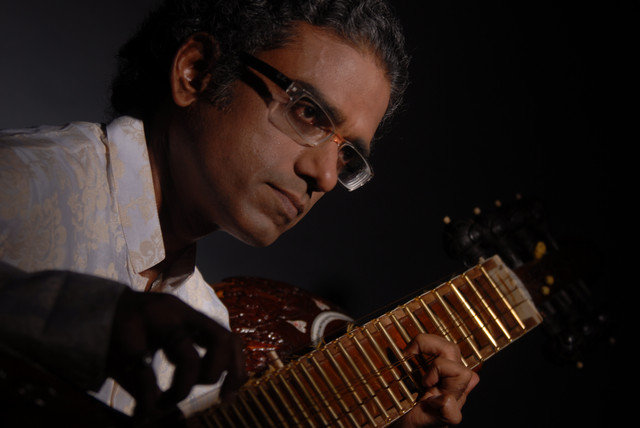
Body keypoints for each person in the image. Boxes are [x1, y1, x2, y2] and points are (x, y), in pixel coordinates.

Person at [0, 0, 478, 425]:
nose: (326, 176)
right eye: (308, 113)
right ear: (196, 72)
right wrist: (77, 316)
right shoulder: (20, 182)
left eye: (347, 154)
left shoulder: (207, 327)